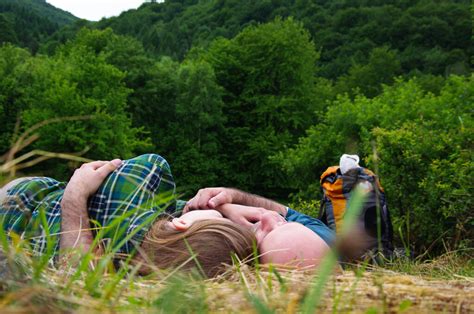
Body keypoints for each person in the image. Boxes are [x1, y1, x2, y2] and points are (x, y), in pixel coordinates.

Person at [0, 154, 255, 278]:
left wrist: (75, 196)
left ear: (181, 223)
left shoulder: (146, 179)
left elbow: (73, 273)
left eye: (218, 218)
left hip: (21, 199)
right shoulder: (127, 271)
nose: (222, 213)